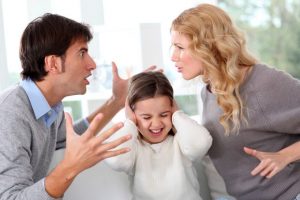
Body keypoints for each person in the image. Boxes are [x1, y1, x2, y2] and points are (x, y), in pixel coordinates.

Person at [0, 13, 145, 199]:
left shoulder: (50, 106)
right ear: (53, 63)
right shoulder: (10, 114)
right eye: (82, 53)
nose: (92, 64)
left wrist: (116, 102)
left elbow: (69, 138)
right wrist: (71, 166)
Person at [170, 3, 300, 200]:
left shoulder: (262, 83)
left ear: (208, 47)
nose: (172, 56)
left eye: (180, 47)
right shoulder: (208, 91)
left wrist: (285, 156)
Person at [104, 71, 212, 200]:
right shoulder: (135, 147)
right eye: (146, 117)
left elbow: (201, 144)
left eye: (164, 114)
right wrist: (130, 123)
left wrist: (177, 114)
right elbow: (116, 161)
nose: (156, 123)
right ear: (132, 114)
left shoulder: (181, 141)